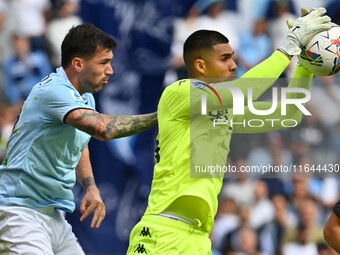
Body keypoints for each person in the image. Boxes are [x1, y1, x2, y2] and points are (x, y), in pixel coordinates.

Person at [127, 7, 331, 255]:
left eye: (233, 57)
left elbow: (290, 114)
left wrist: (305, 63)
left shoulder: (222, 110)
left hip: (199, 240)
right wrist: (288, 46)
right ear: (200, 65)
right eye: (225, 59)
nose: (234, 65)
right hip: (163, 233)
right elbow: (241, 93)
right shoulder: (180, 92)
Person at [0, 23, 157, 254]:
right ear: (78, 64)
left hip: (54, 216)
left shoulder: (85, 99)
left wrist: (90, 187)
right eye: (104, 62)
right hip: (21, 213)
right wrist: (161, 115)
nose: (110, 70)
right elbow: (104, 129)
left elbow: (79, 144)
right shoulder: (54, 91)